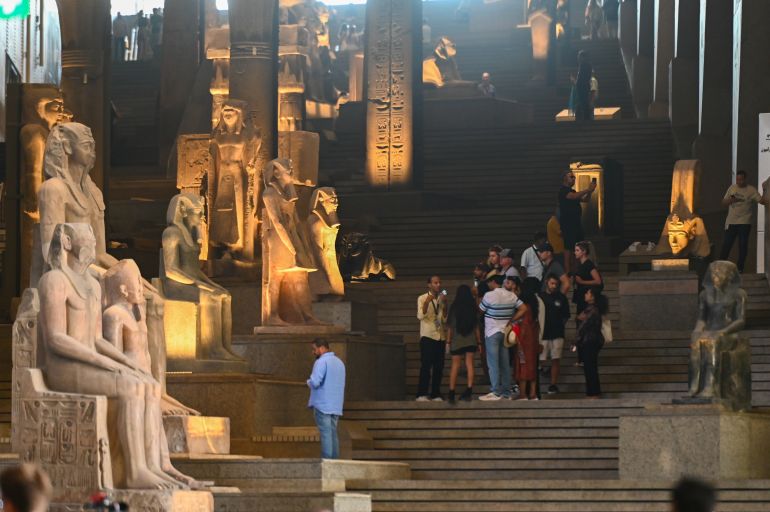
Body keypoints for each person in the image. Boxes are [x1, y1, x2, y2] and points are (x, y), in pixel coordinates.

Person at [479, 274, 522, 400]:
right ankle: (506, 392)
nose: (488, 285)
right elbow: (523, 308)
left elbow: (480, 311)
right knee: (504, 363)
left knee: (493, 363)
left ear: (493, 282)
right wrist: (512, 319)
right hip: (505, 332)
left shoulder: (489, 295)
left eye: (489, 282)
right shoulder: (511, 295)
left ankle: (495, 391)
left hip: (492, 332)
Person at [719, 170, 767, 272]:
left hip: (745, 222)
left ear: (745, 179)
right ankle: (720, 266)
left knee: (743, 246)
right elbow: (723, 202)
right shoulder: (732, 188)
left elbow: (762, 201)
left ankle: (740, 268)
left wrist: (764, 190)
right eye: (737, 179)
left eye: (741, 179)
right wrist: (731, 200)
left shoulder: (751, 190)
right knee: (726, 245)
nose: (739, 182)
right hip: (731, 222)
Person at [307, 338, 346, 459]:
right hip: (336, 405)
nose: (313, 352)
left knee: (325, 434)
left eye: (314, 349)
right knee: (333, 433)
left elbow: (315, 382)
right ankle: (335, 461)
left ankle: (327, 462)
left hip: (322, 404)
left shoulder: (321, 362)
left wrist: (308, 382)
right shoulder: (340, 362)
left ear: (322, 348)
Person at [416, 275, 448, 401]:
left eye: (439, 282)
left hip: (440, 336)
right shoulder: (422, 297)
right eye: (435, 283)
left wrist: (445, 303)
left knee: (438, 367)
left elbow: (444, 319)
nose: (438, 285)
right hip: (428, 335)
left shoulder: (441, 298)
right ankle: (421, 393)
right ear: (429, 284)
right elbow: (420, 316)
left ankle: (436, 393)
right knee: (426, 365)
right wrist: (427, 302)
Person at [446, 285, 480, 403]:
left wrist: (448, 341)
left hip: (457, 340)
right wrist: (479, 342)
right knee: (469, 364)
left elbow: (450, 327)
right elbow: (476, 328)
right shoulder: (472, 307)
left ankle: (451, 392)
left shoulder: (454, 307)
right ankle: (469, 390)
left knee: (455, 365)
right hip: (470, 340)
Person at [558, 170, 596, 273]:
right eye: (571, 177)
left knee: (578, 248)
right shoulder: (563, 191)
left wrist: (590, 191)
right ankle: (568, 273)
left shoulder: (573, 191)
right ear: (564, 179)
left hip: (577, 224)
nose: (574, 178)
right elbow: (573, 197)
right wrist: (587, 189)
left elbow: (585, 200)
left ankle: (577, 272)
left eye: (574, 177)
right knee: (568, 250)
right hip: (568, 225)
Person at [539, 273, 570, 394]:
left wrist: (559, 325)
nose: (554, 286)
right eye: (552, 283)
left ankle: (553, 384)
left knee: (556, 358)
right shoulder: (540, 297)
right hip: (543, 333)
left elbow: (566, 316)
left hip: (557, 332)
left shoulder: (561, 297)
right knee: (540, 358)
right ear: (547, 282)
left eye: (556, 284)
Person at [512, 278, 541, 400]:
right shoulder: (534, 307)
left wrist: (518, 340)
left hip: (523, 342)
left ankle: (523, 394)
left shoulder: (523, 309)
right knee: (532, 366)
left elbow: (521, 326)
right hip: (533, 341)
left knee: (522, 366)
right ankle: (533, 393)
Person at [576, 287, 607, 398]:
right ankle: (593, 392)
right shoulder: (591, 309)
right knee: (590, 367)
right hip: (590, 341)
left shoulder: (593, 310)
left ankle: (593, 393)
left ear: (593, 296)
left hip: (590, 341)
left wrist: (576, 340)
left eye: (588, 293)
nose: (585, 294)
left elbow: (583, 326)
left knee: (590, 368)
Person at [574, 50, 593, 120]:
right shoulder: (587, 65)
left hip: (583, 87)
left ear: (583, 57)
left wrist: (577, 84)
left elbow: (582, 78)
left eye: (579, 56)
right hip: (584, 86)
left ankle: (585, 118)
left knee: (583, 102)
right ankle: (583, 117)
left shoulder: (584, 65)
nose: (578, 58)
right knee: (582, 102)